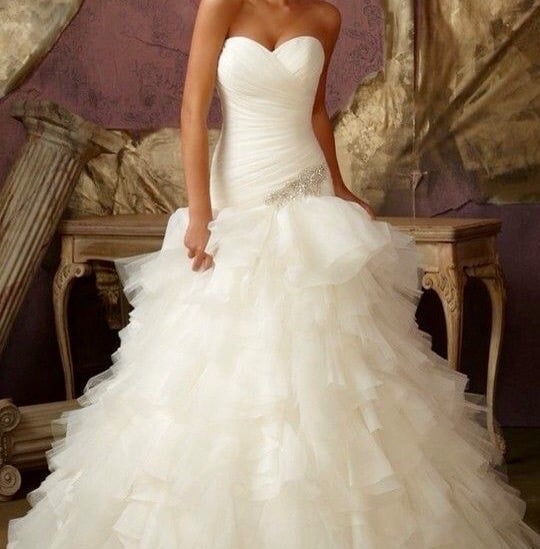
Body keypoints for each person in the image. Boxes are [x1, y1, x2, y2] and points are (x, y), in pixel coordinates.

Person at [7, 0, 540, 547]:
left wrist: (339, 186)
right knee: (224, 353)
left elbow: (316, 112)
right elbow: (192, 109)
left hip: (305, 188)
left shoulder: (325, 17)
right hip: (237, 194)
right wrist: (200, 212)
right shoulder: (222, 5)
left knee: (326, 355)